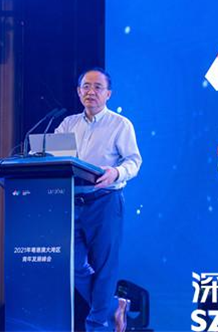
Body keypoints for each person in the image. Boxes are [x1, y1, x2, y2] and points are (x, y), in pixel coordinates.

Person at [55, 68, 142, 332]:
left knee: (104, 268)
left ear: (108, 94)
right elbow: (52, 158)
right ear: (78, 91)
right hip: (71, 202)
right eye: (86, 86)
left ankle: (96, 326)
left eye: (97, 87)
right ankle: (115, 306)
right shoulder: (67, 124)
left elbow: (134, 161)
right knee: (71, 264)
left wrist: (116, 172)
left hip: (105, 200)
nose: (90, 92)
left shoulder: (120, 124)